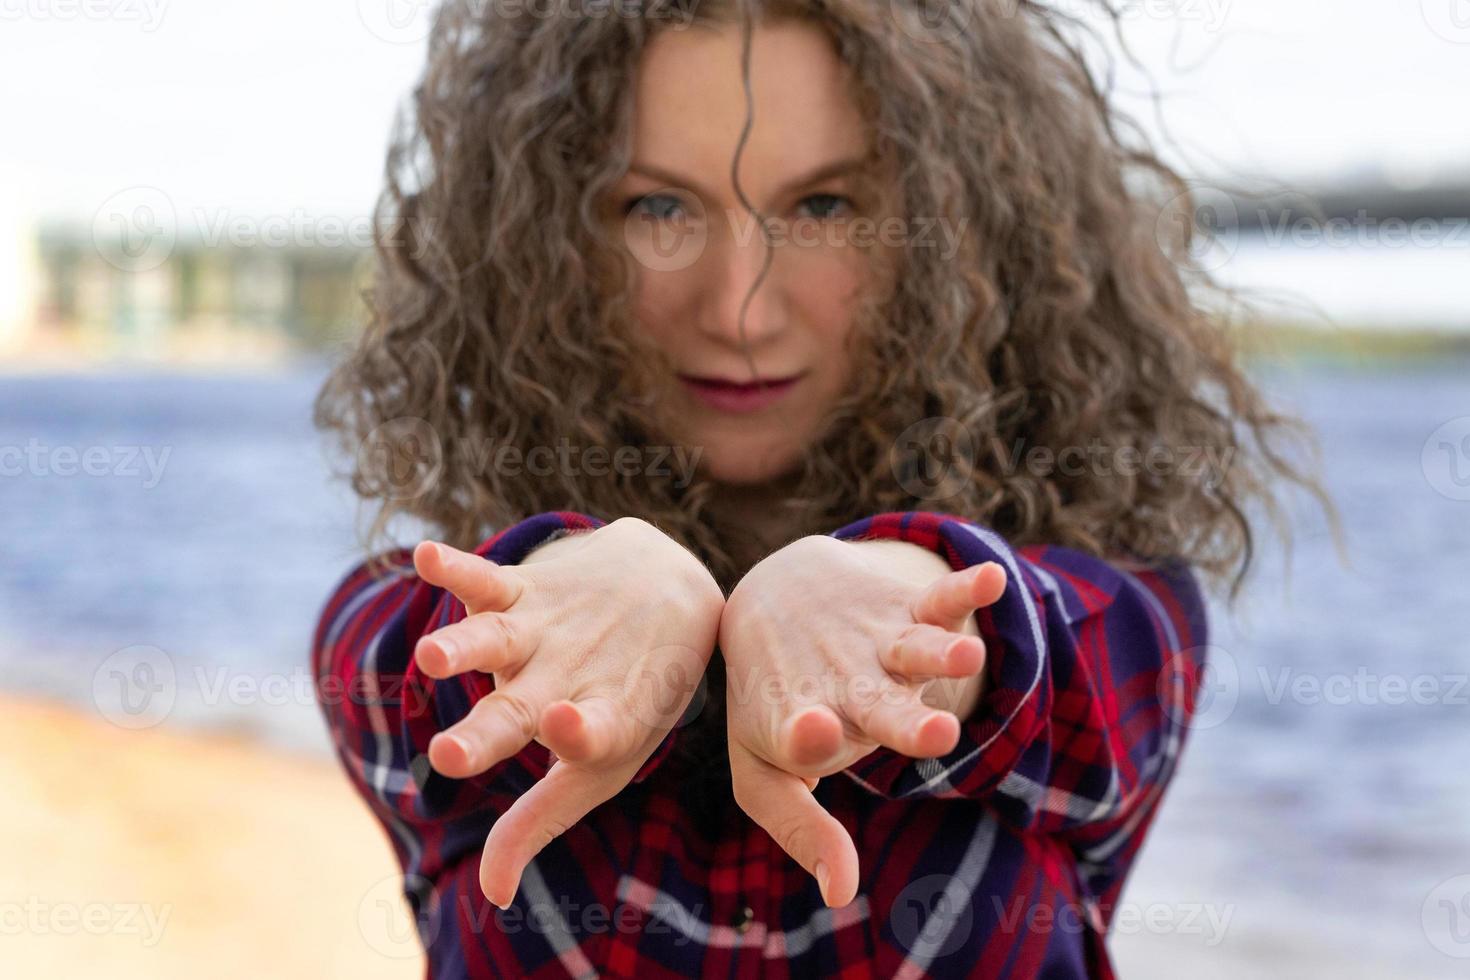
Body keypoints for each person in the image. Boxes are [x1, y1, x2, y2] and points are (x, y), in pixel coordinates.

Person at [311, 0, 1330, 976]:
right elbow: (392, 691)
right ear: (542, 245)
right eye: (657, 206)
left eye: (825, 205)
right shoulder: (414, 624)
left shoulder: (1129, 617)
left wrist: (900, 602)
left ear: (962, 230)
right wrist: (575, 578)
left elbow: (1083, 675)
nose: (741, 307)